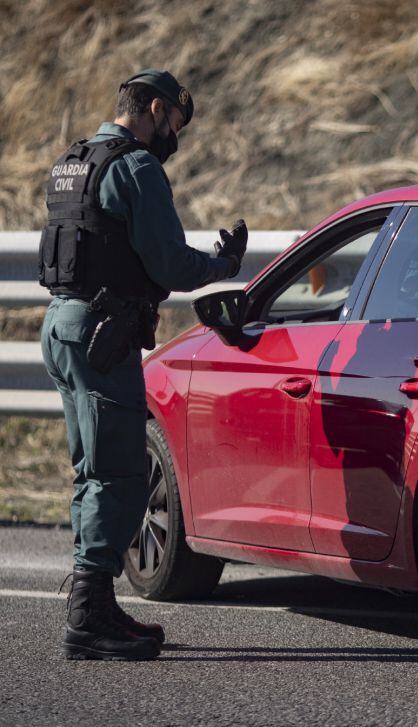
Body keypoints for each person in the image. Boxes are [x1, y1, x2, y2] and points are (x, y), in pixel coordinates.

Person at [39, 69, 248, 660]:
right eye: (173, 125)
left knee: (91, 470)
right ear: (155, 108)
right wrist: (222, 264)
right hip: (103, 335)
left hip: (61, 327)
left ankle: (96, 603)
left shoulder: (72, 161)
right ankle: (87, 617)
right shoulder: (135, 167)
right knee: (122, 474)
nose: (172, 140)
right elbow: (170, 266)